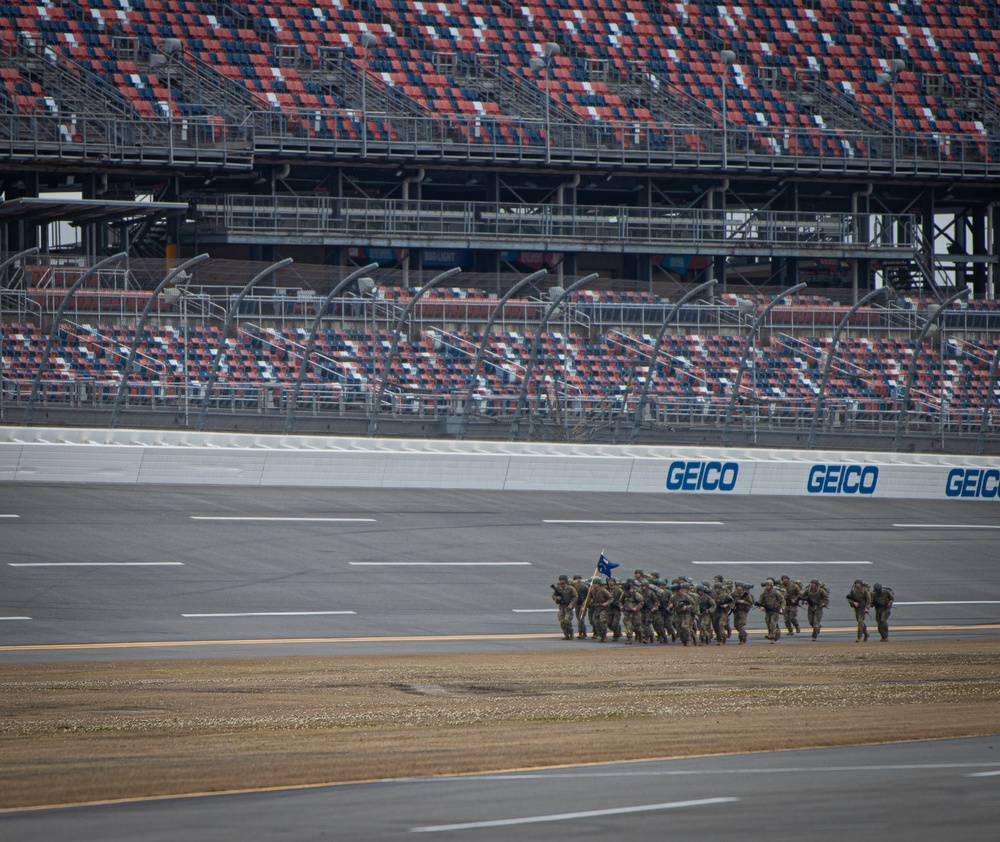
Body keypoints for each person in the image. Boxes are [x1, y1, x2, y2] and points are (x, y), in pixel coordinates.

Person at [756, 578, 785, 644]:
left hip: (775, 610)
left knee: (772, 623)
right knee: (768, 623)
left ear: (771, 586)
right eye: (766, 585)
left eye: (768, 585)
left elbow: (783, 601)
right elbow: (760, 602)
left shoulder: (777, 593)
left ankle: (773, 638)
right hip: (768, 611)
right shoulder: (764, 593)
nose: (767, 586)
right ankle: (775, 633)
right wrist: (761, 607)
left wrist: (781, 609)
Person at [551, 574, 578, 640]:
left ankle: (571, 632)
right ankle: (566, 634)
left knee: (567, 620)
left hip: (568, 607)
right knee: (562, 622)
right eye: (561, 580)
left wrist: (571, 604)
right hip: (561, 607)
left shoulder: (570, 588)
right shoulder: (557, 588)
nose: (562, 581)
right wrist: (556, 598)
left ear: (565, 581)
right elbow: (553, 596)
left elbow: (575, 597)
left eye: (563, 580)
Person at [621, 578, 644, 644]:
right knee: (628, 626)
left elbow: (641, 602)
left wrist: (636, 607)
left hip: (635, 613)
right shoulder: (624, 594)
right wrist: (621, 606)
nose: (627, 592)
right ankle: (629, 638)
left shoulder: (636, 594)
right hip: (627, 612)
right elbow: (620, 601)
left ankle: (640, 635)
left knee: (637, 626)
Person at [587, 577, 609, 642]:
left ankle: (604, 636)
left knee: (602, 622)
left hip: (603, 609)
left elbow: (611, 598)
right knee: (595, 623)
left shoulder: (603, 590)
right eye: (594, 584)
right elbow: (588, 599)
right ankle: (601, 635)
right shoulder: (592, 591)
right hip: (596, 609)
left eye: (596, 584)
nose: (595, 585)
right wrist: (585, 606)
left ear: (599, 584)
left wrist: (606, 603)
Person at [604, 576, 623, 642]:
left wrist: (620, 605)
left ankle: (616, 634)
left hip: (616, 609)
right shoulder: (606, 589)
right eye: (609, 581)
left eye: (612, 581)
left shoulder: (618, 590)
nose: (610, 582)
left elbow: (623, 597)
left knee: (615, 623)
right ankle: (617, 631)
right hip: (609, 609)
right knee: (609, 623)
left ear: (614, 582)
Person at [571, 574, 589, 639]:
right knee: (578, 618)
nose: (577, 580)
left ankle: (582, 632)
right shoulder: (572, 587)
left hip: (583, 604)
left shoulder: (584, 586)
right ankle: (581, 632)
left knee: (581, 618)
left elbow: (588, 596)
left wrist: (585, 605)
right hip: (577, 604)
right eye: (576, 579)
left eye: (578, 578)